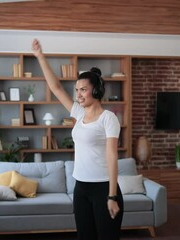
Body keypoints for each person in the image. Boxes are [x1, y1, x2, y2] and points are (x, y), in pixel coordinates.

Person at [32, 39, 123, 240]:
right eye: (76, 90)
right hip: (80, 187)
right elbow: (56, 88)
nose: (78, 94)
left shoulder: (108, 118)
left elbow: (112, 156)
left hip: (103, 188)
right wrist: (40, 56)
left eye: (83, 89)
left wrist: (112, 195)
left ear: (96, 91)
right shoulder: (79, 113)